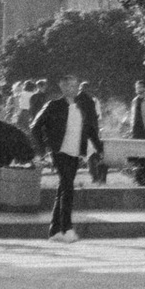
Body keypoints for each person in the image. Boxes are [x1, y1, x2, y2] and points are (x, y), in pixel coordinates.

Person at [28, 76, 106, 236]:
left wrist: (99, 149)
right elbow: (35, 127)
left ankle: (55, 230)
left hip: (75, 151)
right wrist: (43, 149)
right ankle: (67, 228)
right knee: (68, 187)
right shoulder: (53, 105)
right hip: (59, 151)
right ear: (62, 87)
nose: (74, 88)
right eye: (69, 85)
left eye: (75, 85)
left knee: (63, 188)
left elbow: (91, 129)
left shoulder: (83, 106)